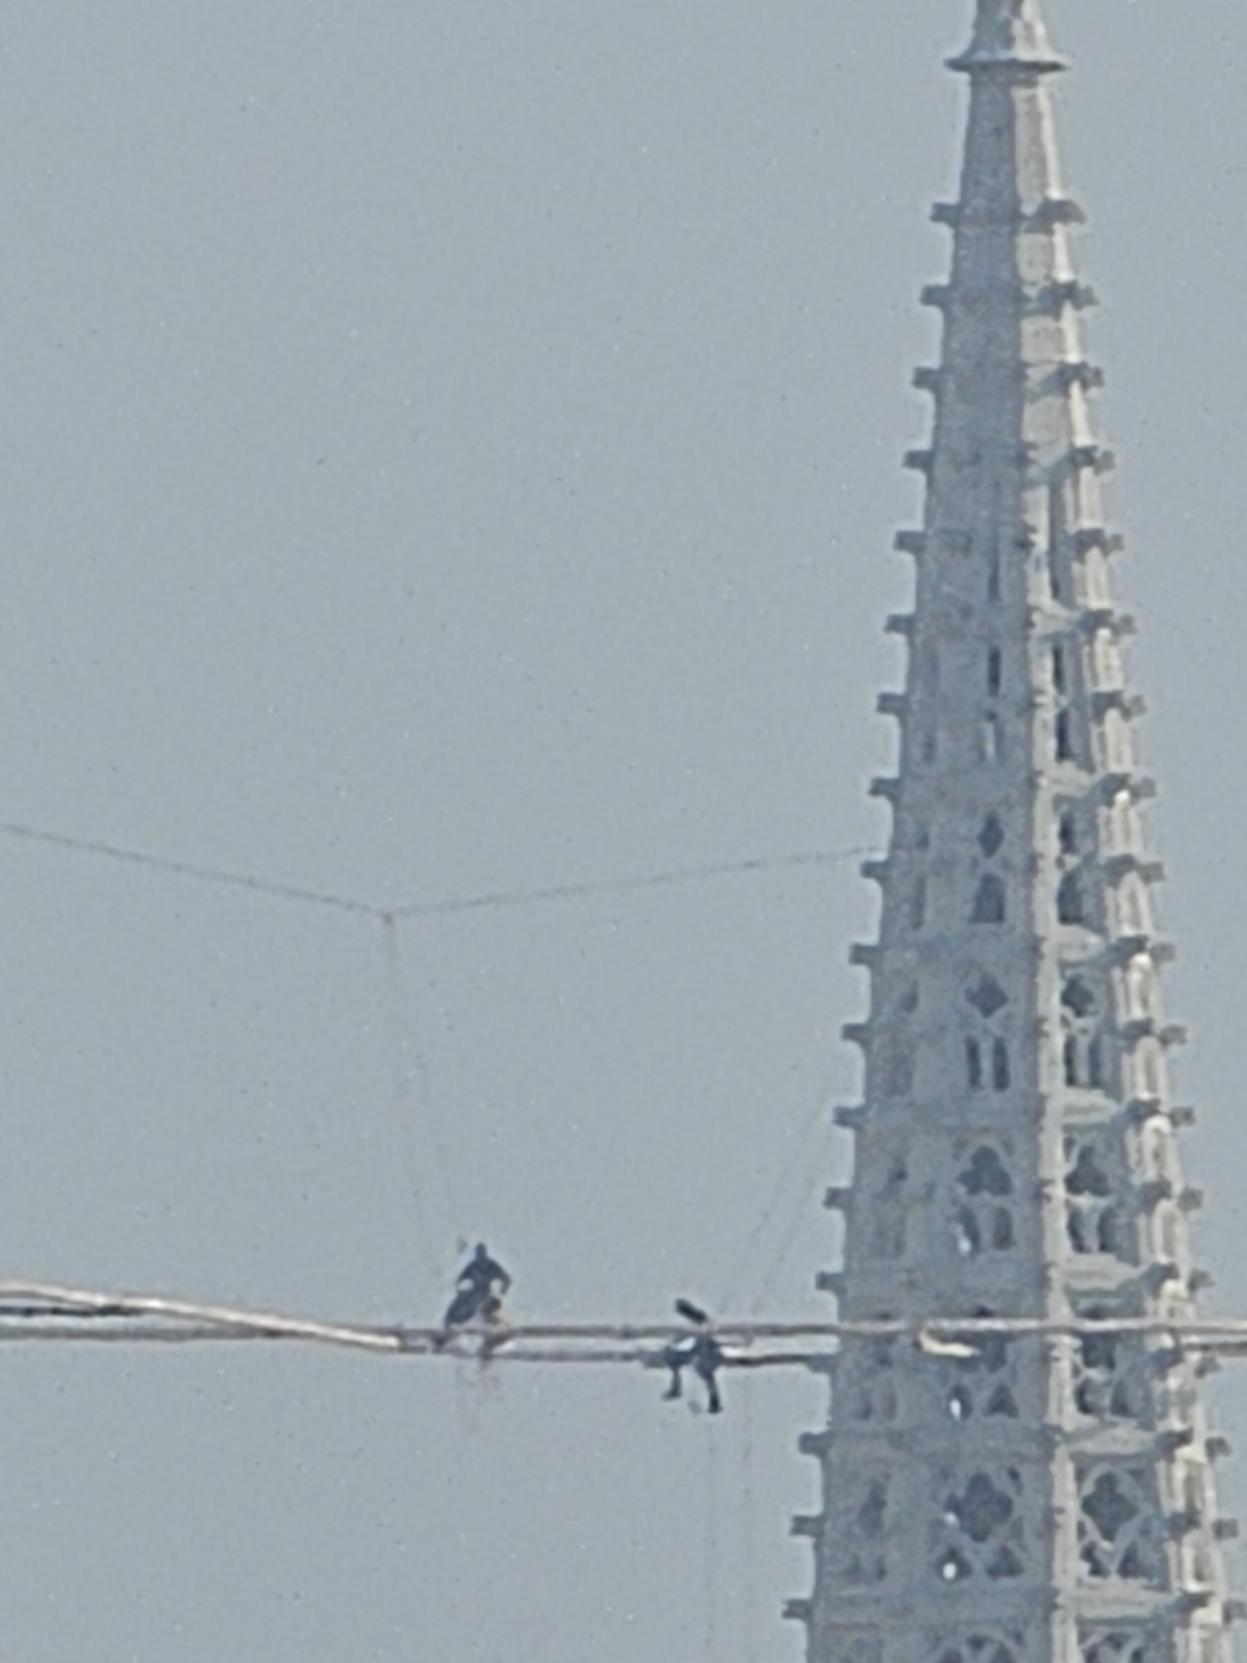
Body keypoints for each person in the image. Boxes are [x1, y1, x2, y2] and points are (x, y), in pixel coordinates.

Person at [661, 1298, 724, 1414]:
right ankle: (712, 1400)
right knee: (673, 1360)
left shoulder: (701, 1324)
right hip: (696, 1349)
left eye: (681, 1310)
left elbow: (704, 1336)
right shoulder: (696, 1323)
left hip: (702, 1350)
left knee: (706, 1374)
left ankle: (713, 1401)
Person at [441, 1243, 512, 1332]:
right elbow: (460, 1278)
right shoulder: (473, 1266)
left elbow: (506, 1278)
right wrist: (459, 1289)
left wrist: (503, 1290)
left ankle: (496, 1326)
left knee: (480, 1307)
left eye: (482, 1255)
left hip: (485, 1293)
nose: (481, 1260)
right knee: (460, 1303)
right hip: (473, 1291)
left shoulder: (492, 1265)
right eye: (478, 1255)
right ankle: (451, 1323)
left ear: (485, 1254)